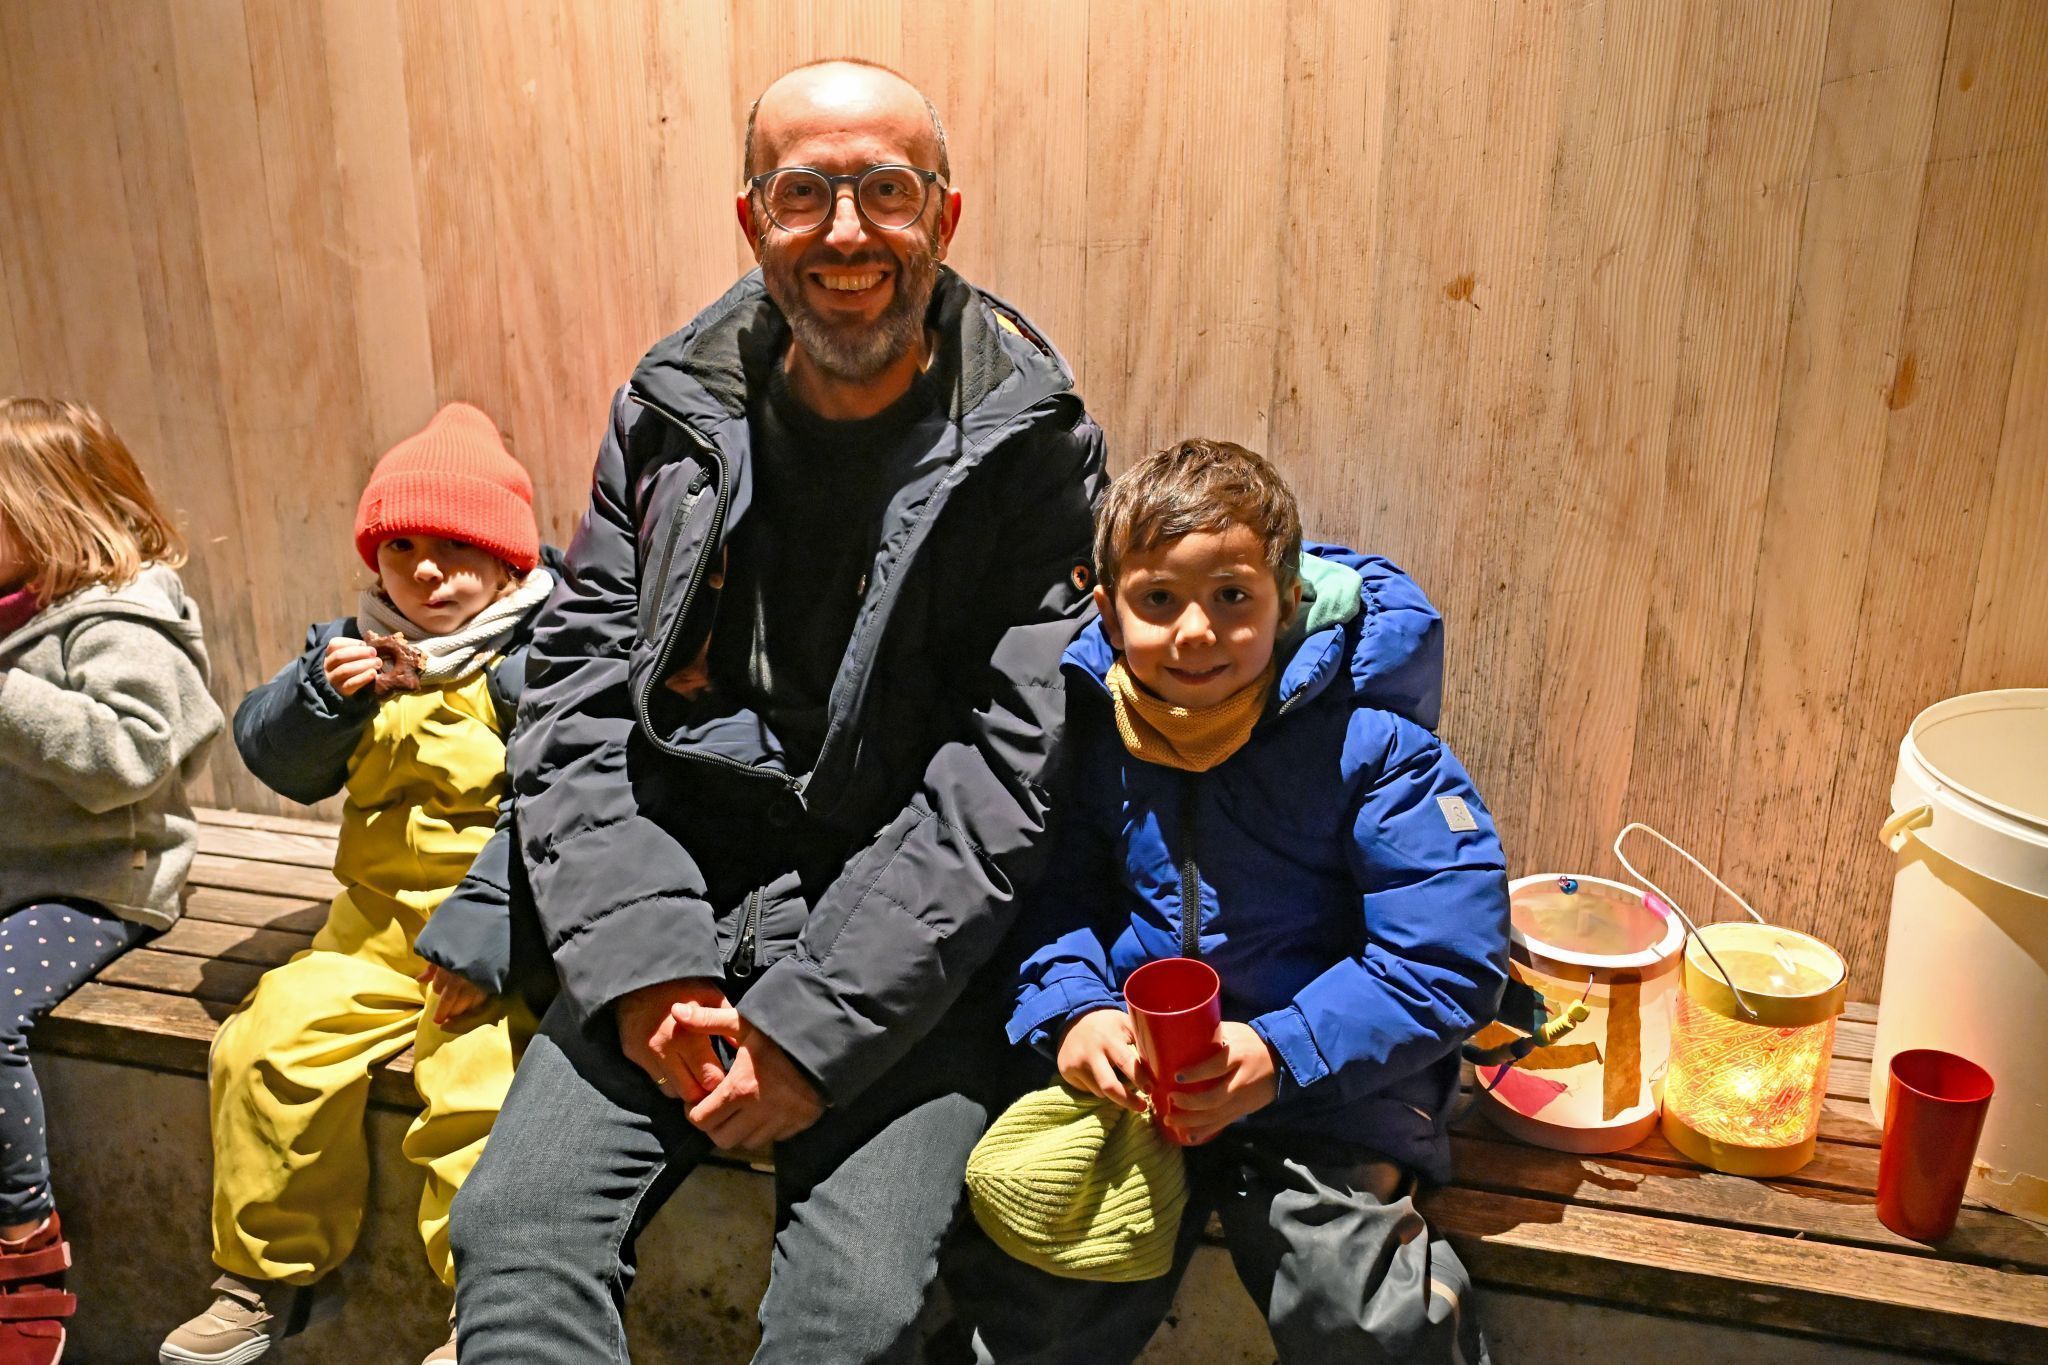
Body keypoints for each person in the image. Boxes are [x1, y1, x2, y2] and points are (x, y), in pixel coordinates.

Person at [448, 59, 1105, 1363]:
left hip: (903, 951)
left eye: (886, 191)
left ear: (946, 216)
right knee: (512, 1232)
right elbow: (572, 712)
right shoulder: (670, 410)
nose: (847, 230)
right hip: (676, 904)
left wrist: (813, 1027)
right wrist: (645, 968)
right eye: (805, 192)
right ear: (752, 219)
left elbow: (1003, 779)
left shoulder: (1026, 445)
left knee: (854, 1318)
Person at [953, 439, 1508, 1364]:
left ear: (1288, 602)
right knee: (1039, 1292)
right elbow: (1047, 897)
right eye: (1159, 600)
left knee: (1355, 1306)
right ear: (1108, 607)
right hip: (1142, 1081)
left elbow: (1448, 958)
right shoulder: (1090, 733)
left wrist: (1280, 1052)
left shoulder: (1370, 747)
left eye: (1233, 598)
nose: (1196, 632)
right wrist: (1075, 1013)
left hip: (1327, 1091)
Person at [159, 404, 558, 1365]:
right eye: (403, 545)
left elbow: (560, 811)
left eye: (457, 546)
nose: (425, 569)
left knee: (476, 1096)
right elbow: (274, 757)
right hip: (371, 935)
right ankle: (269, 1279)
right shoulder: (350, 651)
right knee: (265, 1045)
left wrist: (491, 942)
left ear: (508, 562)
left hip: (494, 944)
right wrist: (315, 701)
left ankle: (483, 1316)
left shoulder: (537, 658)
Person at [0, 398, 225, 1365]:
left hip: (102, 877)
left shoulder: (123, 615)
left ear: (52, 513)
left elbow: (132, 756)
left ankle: (24, 1251)